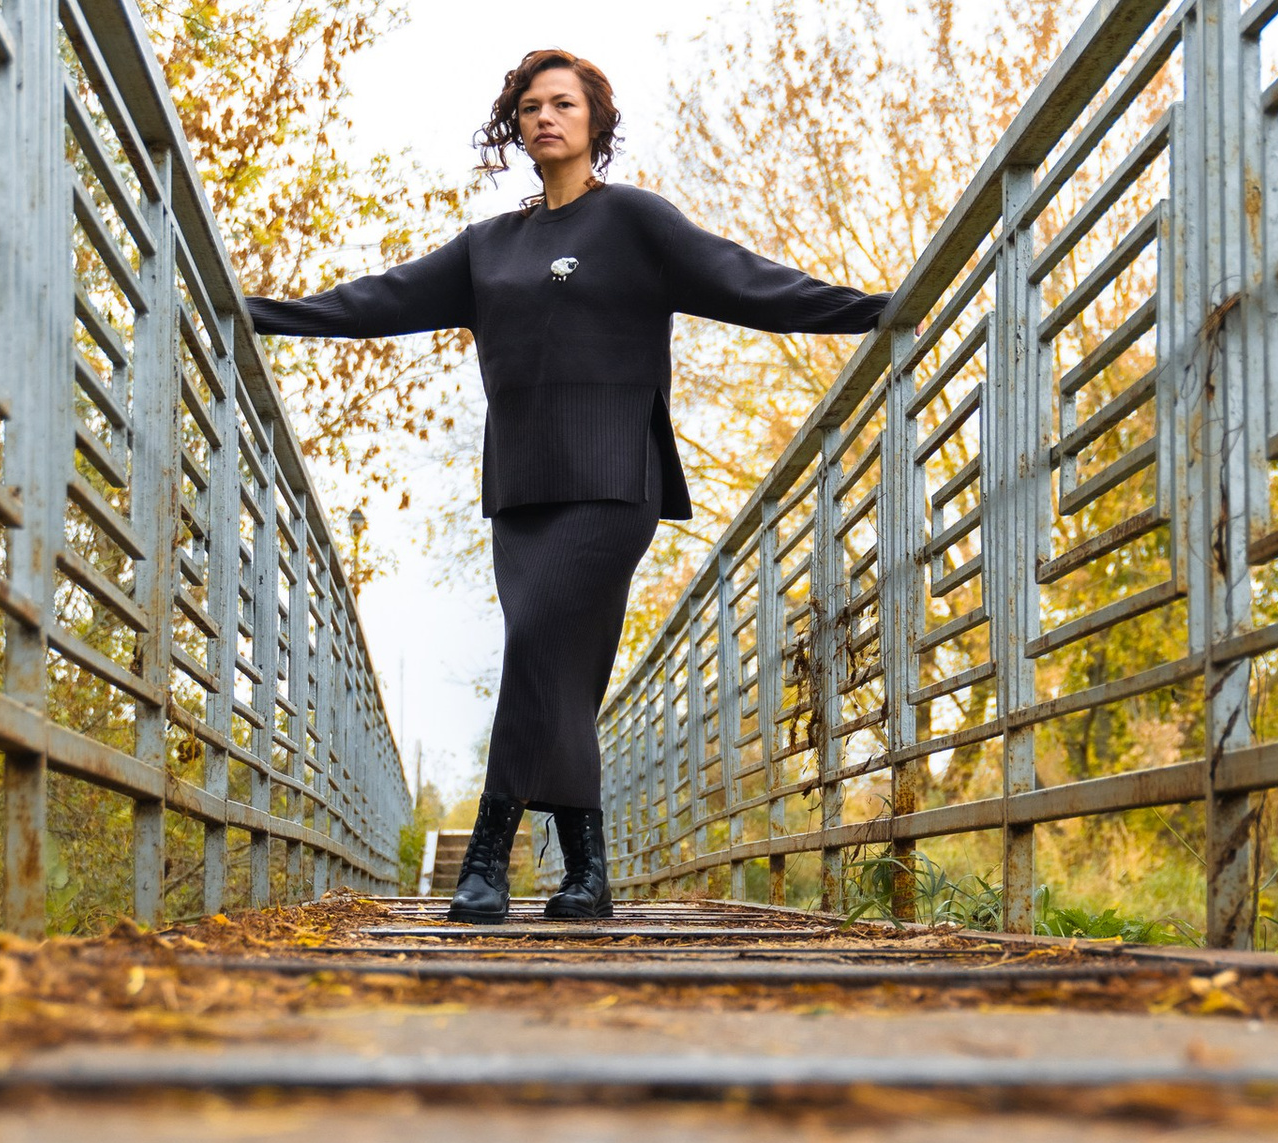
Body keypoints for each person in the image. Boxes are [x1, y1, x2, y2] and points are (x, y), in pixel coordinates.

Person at [245, 48, 889, 924]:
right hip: (521, 489)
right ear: (516, 126)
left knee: (538, 642)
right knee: (560, 669)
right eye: (531, 107)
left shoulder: (633, 221)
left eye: (564, 104)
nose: (545, 117)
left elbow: (748, 282)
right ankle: (588, 873)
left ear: (596, 121)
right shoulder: (488, 248)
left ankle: (487, 855)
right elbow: (379, 301)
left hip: (615, 479)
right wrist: (257, 313)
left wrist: (873, 309)